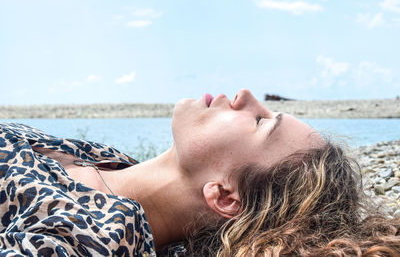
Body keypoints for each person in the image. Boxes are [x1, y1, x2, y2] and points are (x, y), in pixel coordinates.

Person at [0, 89, 399, 256]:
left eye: (261, 122)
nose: (245, 96)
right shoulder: (109, 162)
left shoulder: (91, 239)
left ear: (225, 196)